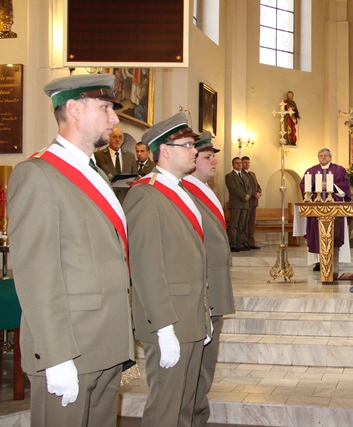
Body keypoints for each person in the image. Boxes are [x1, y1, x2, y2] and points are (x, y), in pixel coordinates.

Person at [7, 74, 134, 427]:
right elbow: (36, 275)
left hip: (106, 342)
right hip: (70, 347)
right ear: (75, 109)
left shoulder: (95, 174)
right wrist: (57, 356)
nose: (114, 118)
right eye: (105, 108)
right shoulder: (38, 174)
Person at [124, 113, 209, 427]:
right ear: (165, 150)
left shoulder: (180, 190)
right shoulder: (146, 195)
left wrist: (202, 315)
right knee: (165, 409)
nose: (194, 151)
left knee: (184, 407)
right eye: (187, 145)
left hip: (190, 317)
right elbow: (145, 267)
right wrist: (163, 328)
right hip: (170, 320)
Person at [182, 132, 236, 427]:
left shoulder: (203, 189)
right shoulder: (185, 191)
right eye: (207, 156)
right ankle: (191, 417)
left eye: (213, 156)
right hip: (202, 290)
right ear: (192, 161)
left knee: (206, 364)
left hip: (214, 288)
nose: (214, 161)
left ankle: (197, 416)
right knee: (196, 367)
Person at [298, 148, 351, 271]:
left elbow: (345, 185)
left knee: (335, 232)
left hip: (335, 207)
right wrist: (315, 187)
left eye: (326, 155)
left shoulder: (339, 170)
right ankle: (318, 261)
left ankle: (335, 258)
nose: (323, 157)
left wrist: (332, 186)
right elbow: (303, 185)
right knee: (316, 232)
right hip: (316, 208)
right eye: (321, 155)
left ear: (330, 157)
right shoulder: (310, 171)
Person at [95, 127, 137, 204]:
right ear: (109, 138)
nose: (117, 139)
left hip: (125, 198)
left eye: (120, 137)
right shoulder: (98, 156)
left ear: (123, 140)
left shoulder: (130, 156)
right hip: (106, 196)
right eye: (114, 136)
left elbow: (135, 175)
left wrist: (133, 183)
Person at [225, 157, 251, 251]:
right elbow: (233, 188)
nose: (239, 164)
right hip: (236, 203)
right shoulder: (229, 176)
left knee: (242, 225)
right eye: (237, 163)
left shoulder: (244, 176)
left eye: (240, 163)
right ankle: (233, 244)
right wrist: (244, 196)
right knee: (234, 224)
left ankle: (240, 243)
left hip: (245, 204)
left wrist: (248, 195)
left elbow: (249, 187)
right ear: (233, 165)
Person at [241, 155, 262, 249]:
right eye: (245, 162)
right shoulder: (241, 174)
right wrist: (254, 194)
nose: (247, 164)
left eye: (248, 162)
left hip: (254, 202)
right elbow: (247, 187)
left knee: (251, 223)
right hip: (247, 202)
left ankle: (251, 242)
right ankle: (245, 242)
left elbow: (257, 185)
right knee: (245, 223)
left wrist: (259, 192)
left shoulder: (252, 174)